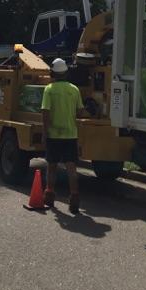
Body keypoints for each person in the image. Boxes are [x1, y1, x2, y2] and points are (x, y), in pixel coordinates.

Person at [41, 57, 86, 214]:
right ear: (66, 73)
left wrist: (45, 133)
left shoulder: (49, 89)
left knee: (52, 166)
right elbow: (80, 111)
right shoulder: (74, 89)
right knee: (71, 167)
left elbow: (45, 112)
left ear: (53, 73)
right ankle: (74, 198)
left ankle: (49, 196)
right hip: (70, 135)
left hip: (54, 135)